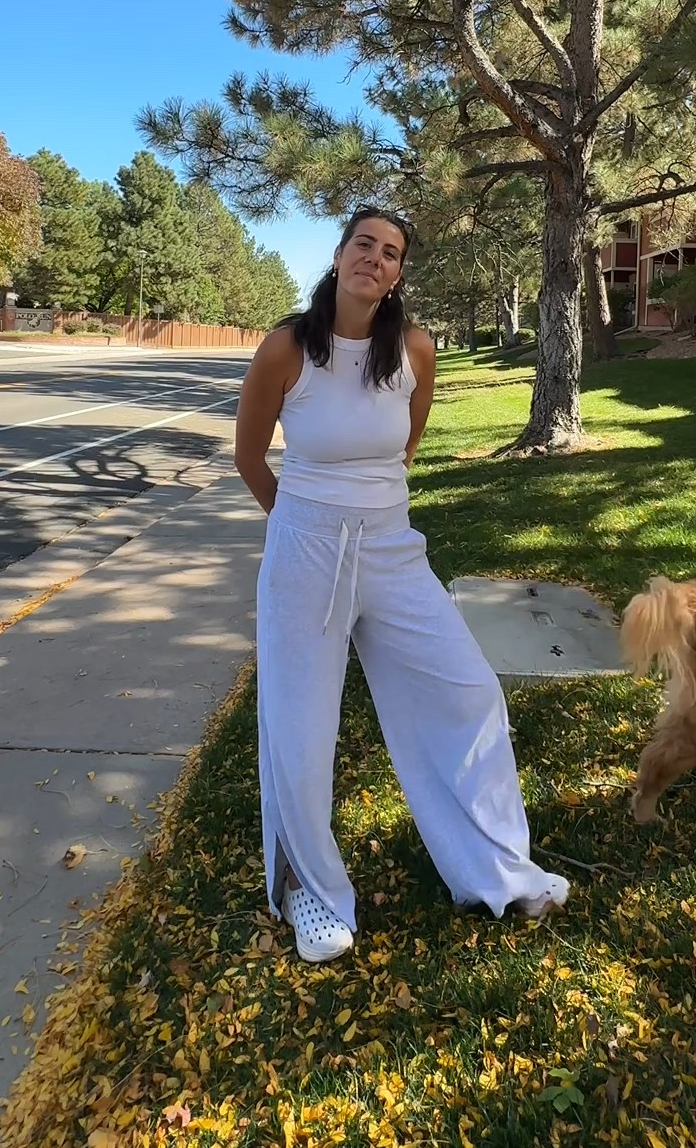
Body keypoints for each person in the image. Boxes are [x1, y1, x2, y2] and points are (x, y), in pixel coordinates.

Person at [234, 206, 568, 961]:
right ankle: (309, 896)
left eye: (391, 253)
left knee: (467, 690)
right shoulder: (288, 347)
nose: (375, 260)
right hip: (304, 556)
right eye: (365, 244)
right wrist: (299, 527)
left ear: (398, 273)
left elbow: (404, 449)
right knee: (300, 729)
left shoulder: (414, 348)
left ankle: (499, 870)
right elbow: (250, 457)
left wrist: (364, 513)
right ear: (340, 252)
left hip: (392, 550)